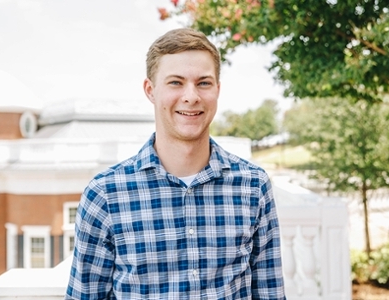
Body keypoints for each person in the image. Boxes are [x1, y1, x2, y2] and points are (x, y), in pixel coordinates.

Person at [65, 28, 286, 300]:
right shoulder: (105, 194)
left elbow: (270, 293)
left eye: (203, 83)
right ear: (151, 90)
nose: (191, 96)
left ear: (217, 89)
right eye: (175, 82)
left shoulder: (253, 186)